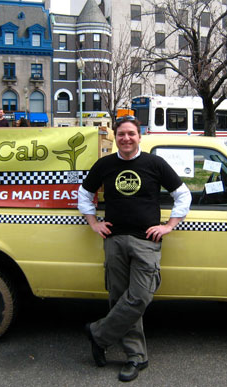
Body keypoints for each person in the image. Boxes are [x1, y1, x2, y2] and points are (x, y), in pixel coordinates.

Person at [77, 116, 191, 382]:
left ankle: (98, 334)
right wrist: (93, 222)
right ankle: (135, 357)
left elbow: (183, 194)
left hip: (146, 241)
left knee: (139, 296)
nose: (126, 138)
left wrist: (169, 225)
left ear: (140, 136)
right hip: (114, 240)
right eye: (121, 134)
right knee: (120, 299)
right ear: (115, 137)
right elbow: (84, 193)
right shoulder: (104, 165)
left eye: (131, 134)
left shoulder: (155, 164)